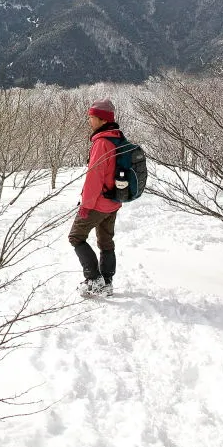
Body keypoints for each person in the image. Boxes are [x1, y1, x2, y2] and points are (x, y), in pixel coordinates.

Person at [71, 98, 123, 297]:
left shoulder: (101, 143)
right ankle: (107, 282)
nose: (89, 121)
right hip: (114, 201)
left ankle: (94, 279)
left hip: (99, 202)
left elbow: (94, 177)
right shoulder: (117, 138)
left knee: (76, 236)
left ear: (102, 120)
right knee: (106, 240)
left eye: (92, 117)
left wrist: (86, 205)